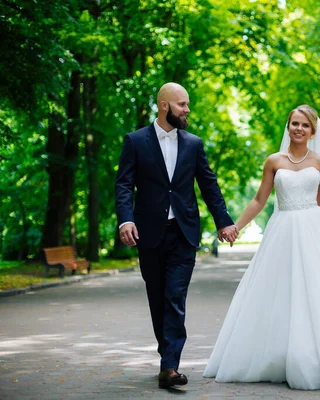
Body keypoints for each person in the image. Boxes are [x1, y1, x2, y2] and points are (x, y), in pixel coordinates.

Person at [203, 105, 320, 390]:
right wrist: (236, 227)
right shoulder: (274, 161)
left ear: (312, 131)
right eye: (294, 124)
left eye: (304, 125)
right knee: (277, 291)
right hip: (282, 230)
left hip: (315, 230)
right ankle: (274, 357)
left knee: (318, 292)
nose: (298, 129)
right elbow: (259, 199)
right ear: (288, 127)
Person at [115, 82, 238, 389]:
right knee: (157, 298)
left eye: (187, 104)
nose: (187, 109)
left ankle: (170, 366)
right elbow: (123, 184)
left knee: (174, 297)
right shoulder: (135, 141)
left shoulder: (194, 144)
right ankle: (166, 353)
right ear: (164, 106)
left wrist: (223, 222)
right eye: (182, 104)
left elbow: (209, 185)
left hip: (183, 233)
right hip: (149, 234)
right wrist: (125, 220)